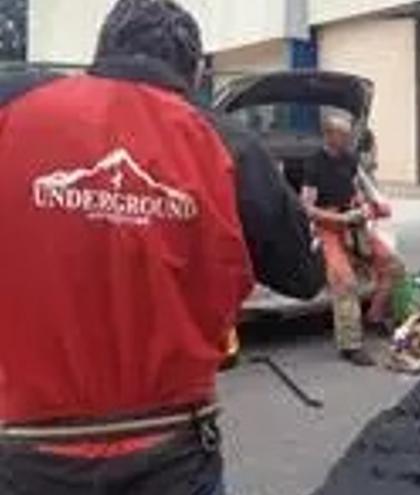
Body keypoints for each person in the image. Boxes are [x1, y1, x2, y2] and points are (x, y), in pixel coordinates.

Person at [0, 0, 324, 493]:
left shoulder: (13, 109)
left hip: (26, 453)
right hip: (170, 453)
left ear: (101, 52)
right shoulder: (230, 145)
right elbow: (303, 275)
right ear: (192, 72)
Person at [302, 113, 404, 367]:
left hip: (355, 224)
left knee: (394, 265)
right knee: (345, 282)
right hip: (329, 227)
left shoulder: (349, 158)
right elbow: (307, 208)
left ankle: (375, 317)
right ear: (329, 135)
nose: (348, 138)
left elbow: (357, 186)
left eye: (349, 134)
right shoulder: (314, 164)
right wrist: (341, 218)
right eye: (343, 134)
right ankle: (350, 344)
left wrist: (367, 205)